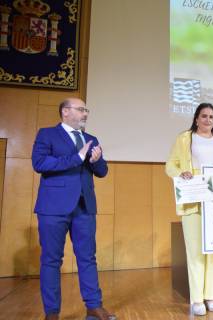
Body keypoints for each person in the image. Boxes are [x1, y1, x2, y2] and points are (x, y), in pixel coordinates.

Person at [31, 98, 116, 320]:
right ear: (66, 112)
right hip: (53, 207)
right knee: (51, 260)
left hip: (84, 207)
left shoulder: (91, 138)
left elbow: (102, 171)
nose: (85, 113)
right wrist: (77, 157)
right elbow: (40, 164)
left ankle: (94, 307)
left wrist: (96, 160)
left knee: (87, 257)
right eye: (81, 109)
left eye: (86, 109)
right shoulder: (46, 134)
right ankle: (52, 313)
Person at [166, 103, 213, 316]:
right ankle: (197, 299)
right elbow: (170, 165)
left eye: (211, 117)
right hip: (194, 199)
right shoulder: (185, 138)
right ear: (196, 119)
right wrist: (182, 173)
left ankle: (210, 296)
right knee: (195, 250)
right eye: (204, 116)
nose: (208, 120)